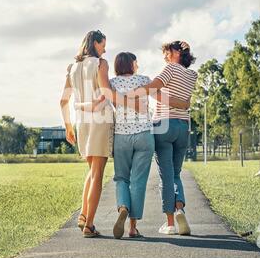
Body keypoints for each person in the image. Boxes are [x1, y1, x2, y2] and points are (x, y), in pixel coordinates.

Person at [109, 52, 190, 239]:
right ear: (132, 64)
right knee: (138, 182)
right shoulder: (145, 80)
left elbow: (108, 104)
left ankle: (123, 207)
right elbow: (164, 100)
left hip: (122, 135)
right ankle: (132, 227)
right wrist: (184, 104)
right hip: (145, 136)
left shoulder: (113, 83)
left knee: (122, 178)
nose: (138, 64)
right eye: (136, 62)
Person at [126, 41, 197, 236]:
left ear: (176, 53)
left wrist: (134, 88)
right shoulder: (192, 75)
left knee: (166, 174)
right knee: (176, 173)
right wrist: (180, 104)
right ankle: (180, 208)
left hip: (164, 125)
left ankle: (171, 223)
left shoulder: (170, 69)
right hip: (183, 127)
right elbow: (185, 102)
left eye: (167, 53)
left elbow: (151, 88)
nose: (164, 57)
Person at [59, 30, 114, 238]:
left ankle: (83, 216)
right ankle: (89, 225)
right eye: (103, 45)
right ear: (95, 43)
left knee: (91, 171)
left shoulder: (72, 67)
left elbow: (63, 101)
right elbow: (106, 92)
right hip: (100, 120)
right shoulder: (101, 63)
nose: (105, 49)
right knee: (97, 173)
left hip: (81, 122)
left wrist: (68, 126)